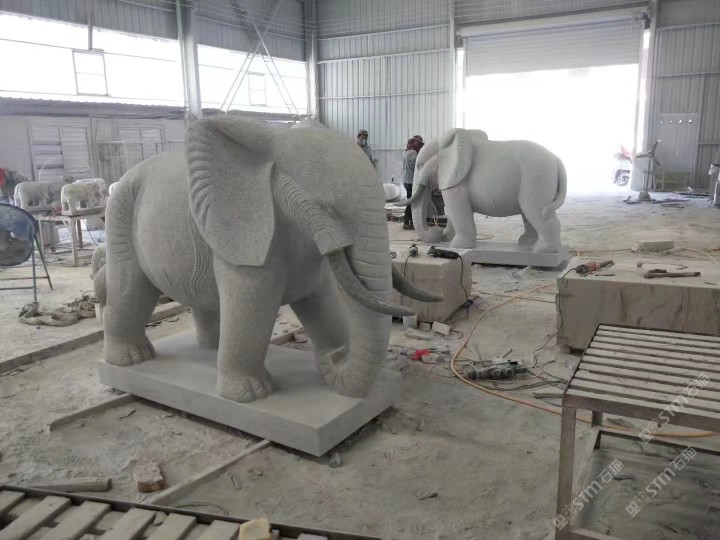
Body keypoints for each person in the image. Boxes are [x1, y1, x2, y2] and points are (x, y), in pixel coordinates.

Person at [402, 136, 424, 230]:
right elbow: (415, 166)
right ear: (414, 142)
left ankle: (410, 222)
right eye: (418, 143)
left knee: (410, 201)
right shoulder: (413, 153)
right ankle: (407, 222)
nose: (419, 145)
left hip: (406, 180)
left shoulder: (406, 152)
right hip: (411, 181)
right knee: (411, 202)